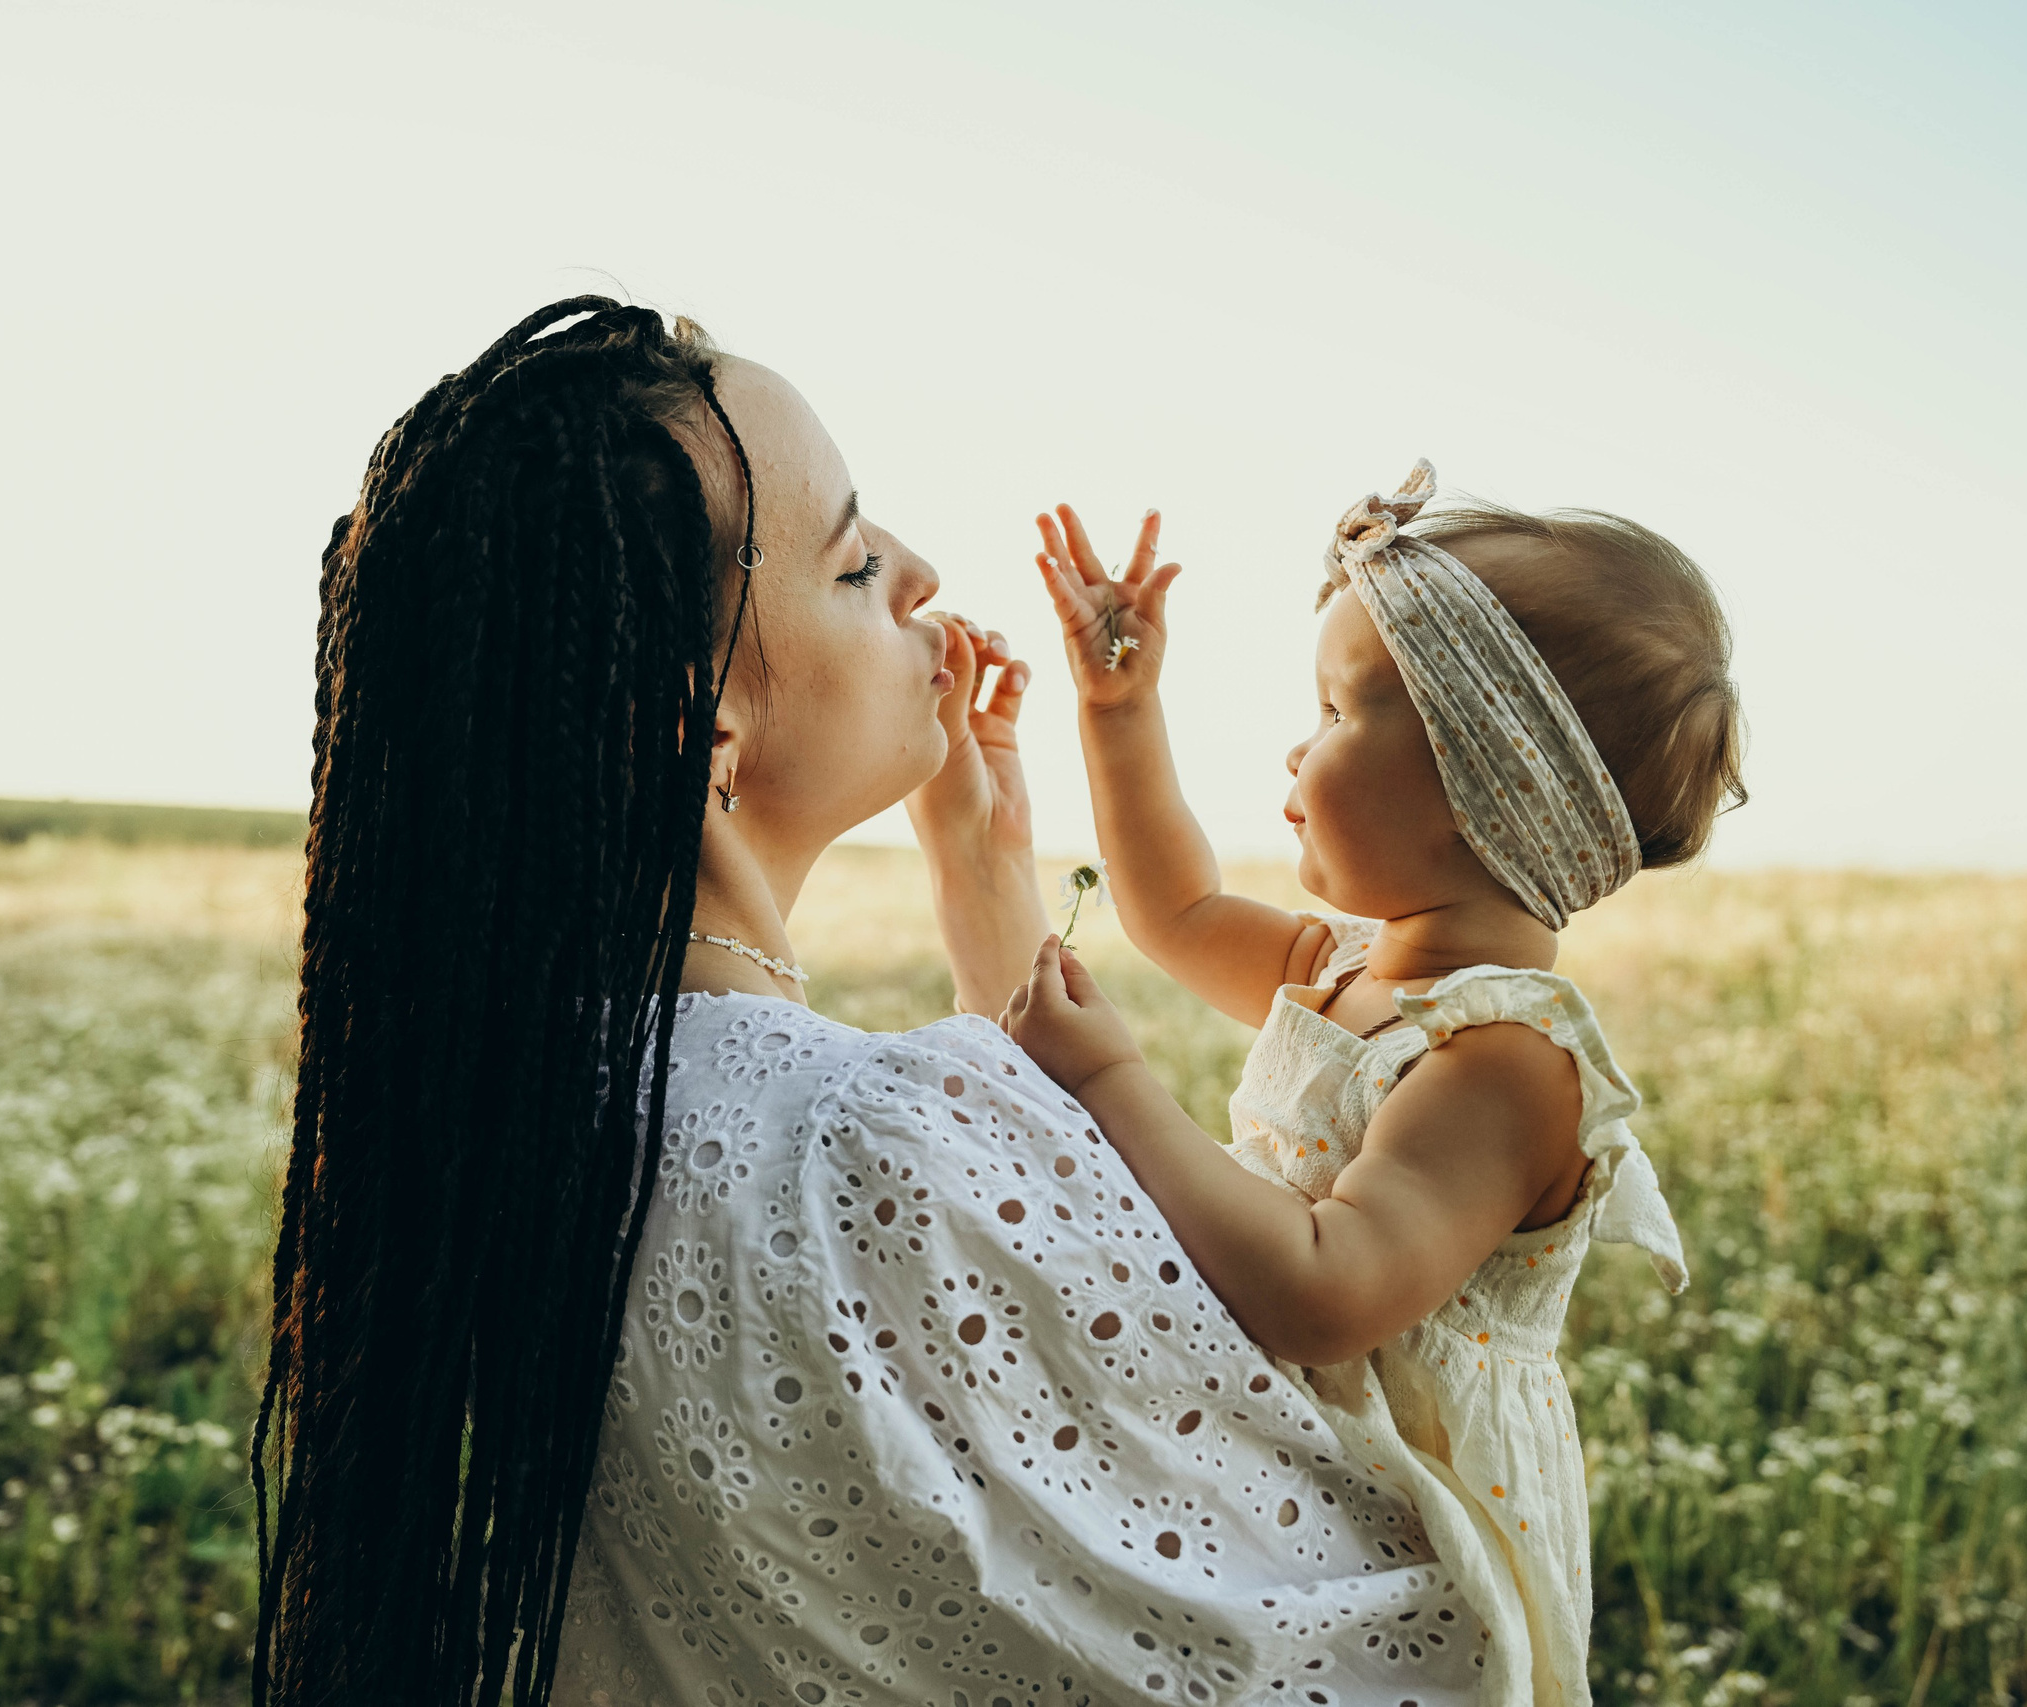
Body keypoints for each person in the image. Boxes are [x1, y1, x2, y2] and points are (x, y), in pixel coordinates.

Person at [253, 301, 1492, 1705]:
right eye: (851, 562)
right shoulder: (878, 1135)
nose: (922, 573)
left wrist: (983, 864)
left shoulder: (500, 1120)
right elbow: (1340, 1630)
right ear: (699, 724)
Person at [997, 465, 1745, 1706]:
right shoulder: (1346, 967)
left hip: (1396, 1533)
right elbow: (1172, 907)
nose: (1299, 743)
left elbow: (1325, 1289)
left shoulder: (1502, 1062)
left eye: (1339, 713)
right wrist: (1119, 712)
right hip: (1276, 1452)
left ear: (1480, 791)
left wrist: (1113, 1083)